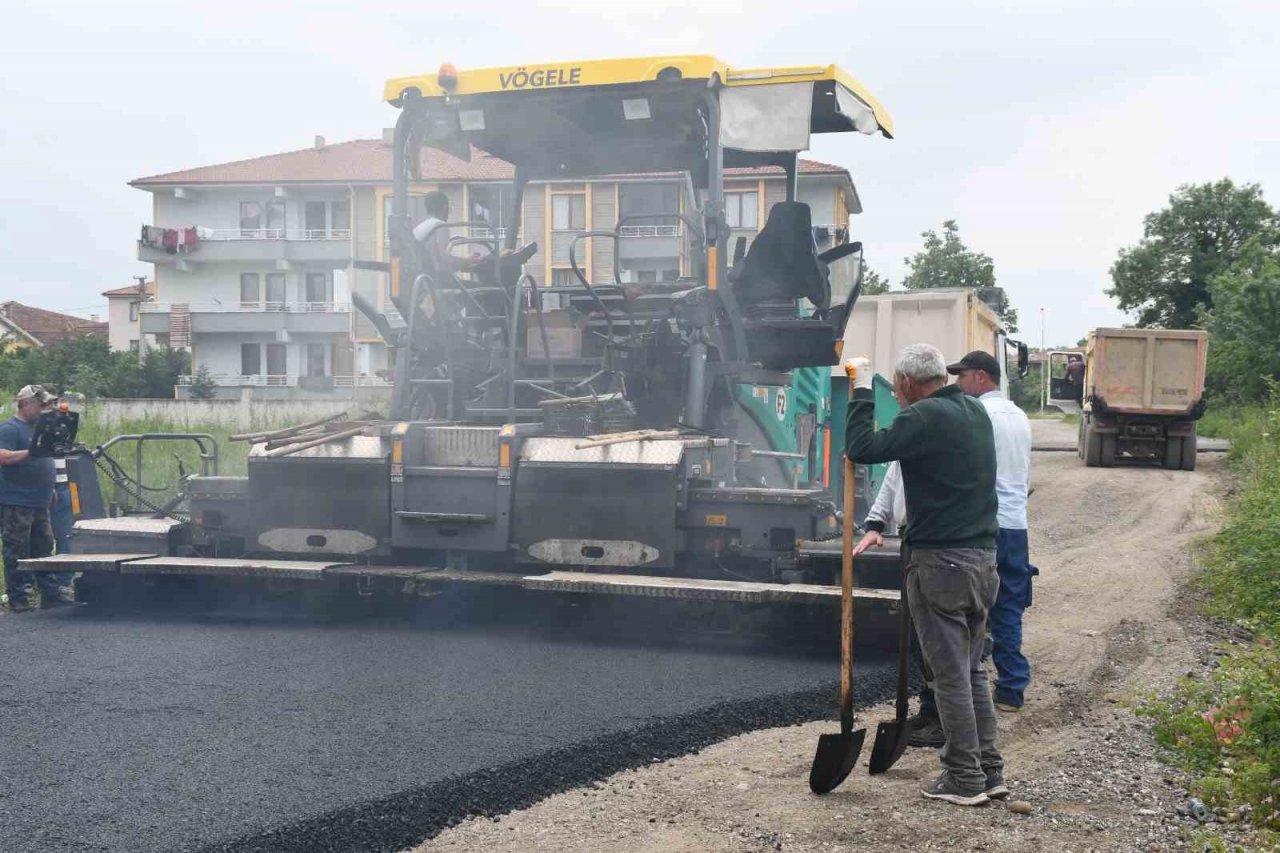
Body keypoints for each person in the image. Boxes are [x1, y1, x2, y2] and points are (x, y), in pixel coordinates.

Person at [845, 344, 1004, 807]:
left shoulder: (924, 416)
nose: (896, 397)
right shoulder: (973, 412)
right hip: (982, 558)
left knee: (949, 675)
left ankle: (963, 778)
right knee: (972, 671)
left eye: (895, 389)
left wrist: (858, 389)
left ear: (908, 384)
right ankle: (990, 771)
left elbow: (863, 448)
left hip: (941, 563)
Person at [949, 351, 1036, 713]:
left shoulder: (978, 414)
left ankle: (967, 687)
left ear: (981, 377)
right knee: (1010, 605)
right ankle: (1012, 687)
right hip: (1017, 524)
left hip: (985, 523)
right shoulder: (1020, 416)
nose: (958, 383)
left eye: (962, 376)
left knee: (968, 605)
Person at [1, 385, 74, 612]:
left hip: (40, 500)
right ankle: (19, 597)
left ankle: (50, 593)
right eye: (41, 404)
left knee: (44, 547)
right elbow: (2, 456)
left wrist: (50, 488)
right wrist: (30, 453)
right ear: (25, 404)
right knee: (17, 549)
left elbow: (43, 460)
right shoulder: (10, 429)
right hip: (17, 501)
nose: (45, 409)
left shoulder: (38, 429)